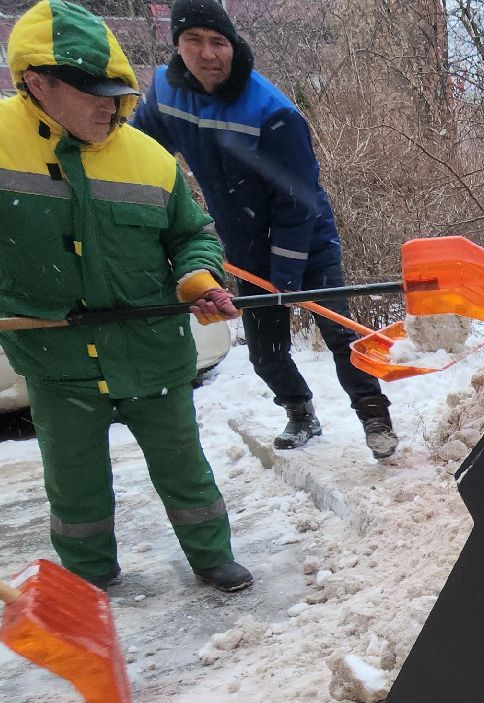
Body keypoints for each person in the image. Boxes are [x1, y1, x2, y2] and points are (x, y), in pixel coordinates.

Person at [0, 0, 254, 593]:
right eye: (92, 92)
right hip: (58, 358)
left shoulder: (147, 157)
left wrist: (198, 279)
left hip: (151, 348)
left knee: (183, 466)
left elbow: (192, 234)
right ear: (37, 82)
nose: (109, 106)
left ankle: (212, 555)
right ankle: (88, 578)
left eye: (117, 93)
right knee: (74, 479)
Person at [133, 0, 398, 458]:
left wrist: (287, 276)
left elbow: (298, 200)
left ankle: (374, 415)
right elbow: (139, 155)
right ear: (177, 45)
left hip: (306, 241)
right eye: (193, 40)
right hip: (245, 249)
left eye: (218, 42)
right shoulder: (164, 95)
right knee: (265, 351)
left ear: (233, 45)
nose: (208, 54)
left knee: (341, 336)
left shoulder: (272, 111)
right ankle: (300, 411)